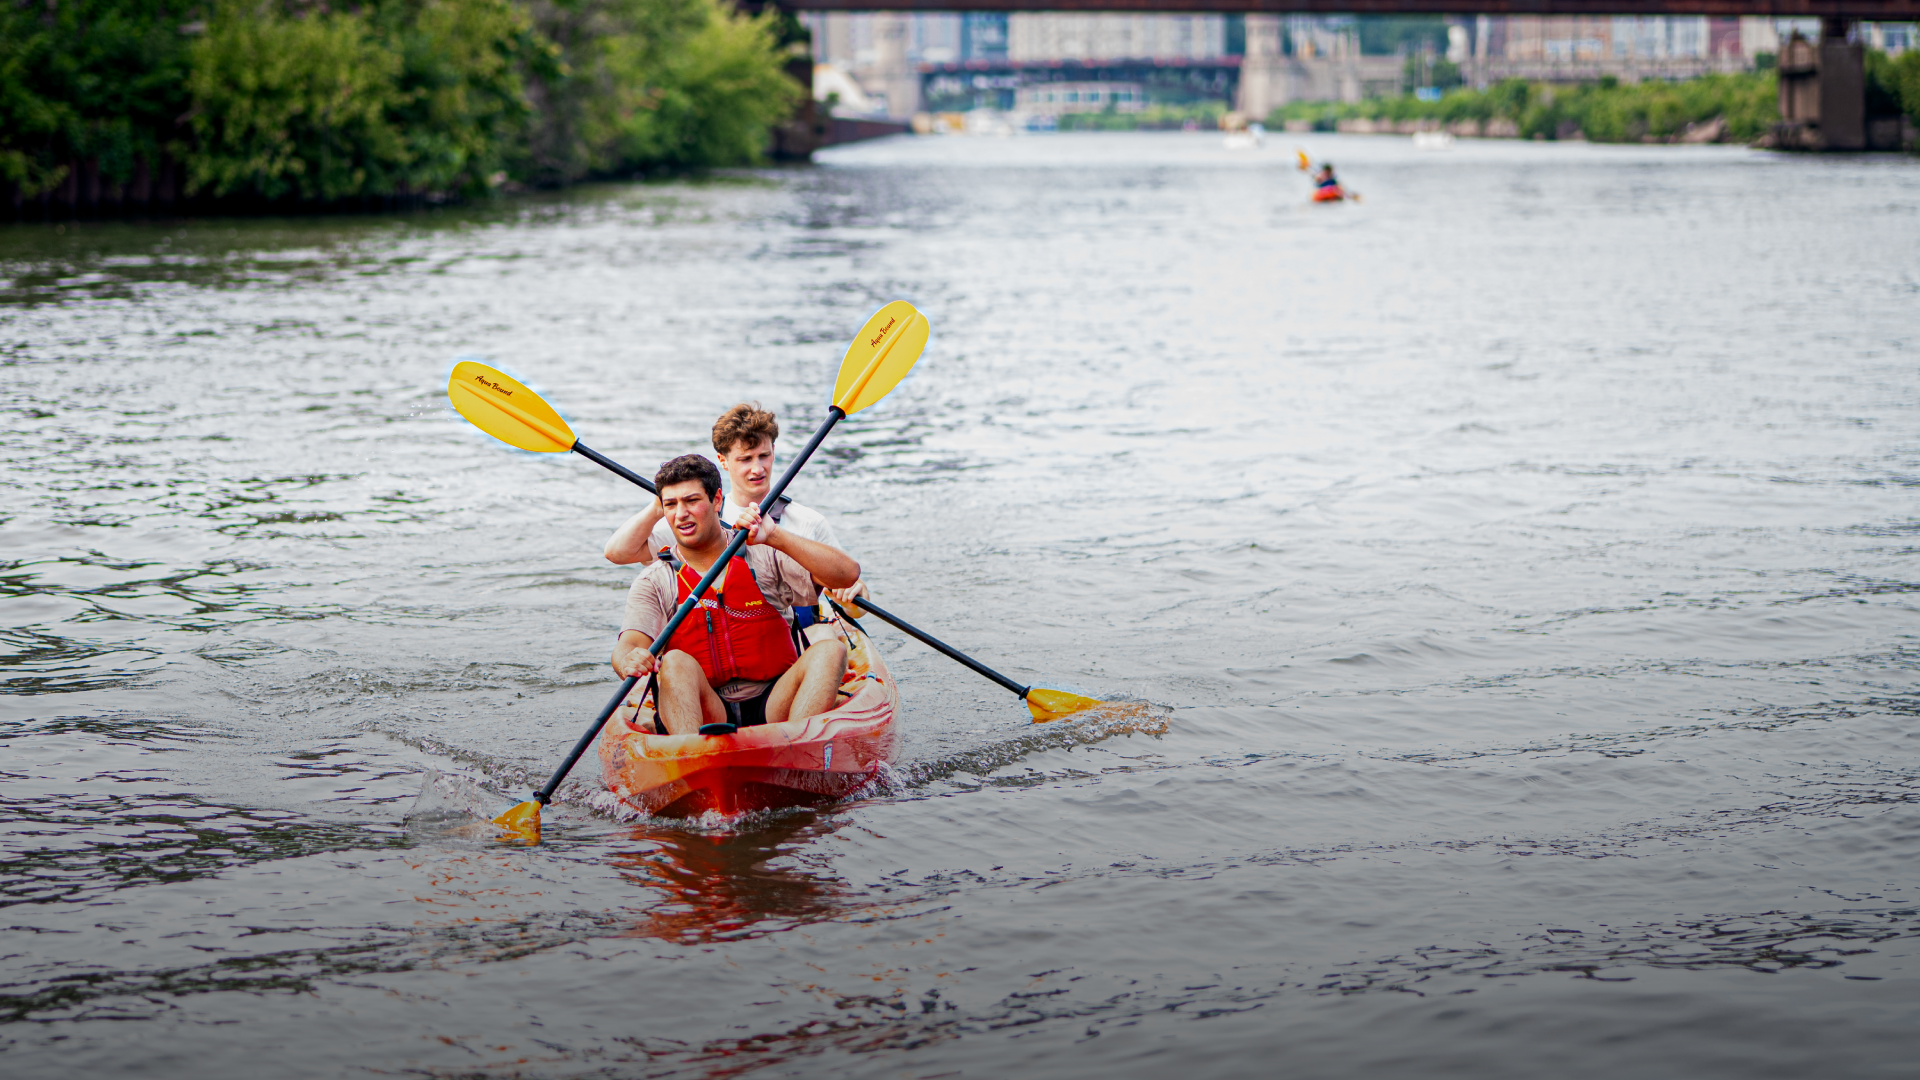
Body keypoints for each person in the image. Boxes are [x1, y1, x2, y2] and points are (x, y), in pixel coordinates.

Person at [612, 454, 859, 735]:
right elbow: (629, 643)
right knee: (674, 661)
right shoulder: (654, 579)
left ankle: (796, 750)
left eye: (692, 501)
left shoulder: (762, 554)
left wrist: (776, 535)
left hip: (775, 704)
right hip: (704, 708)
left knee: (830, 650)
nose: (680, 514)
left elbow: (846, 574)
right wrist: (628, 660)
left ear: (717, 500)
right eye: (671, 504)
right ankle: (691, 760)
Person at [604, 404, 869, 630]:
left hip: (793, 637)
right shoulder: (698, 518)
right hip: (719, 636)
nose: (758, 468)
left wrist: (853, 596)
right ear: (723, 460)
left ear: (774, 452)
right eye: (745, 459)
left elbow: (855, 596)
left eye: (764, 455)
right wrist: (659, 506)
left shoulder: (807, 521)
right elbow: (618, 553)